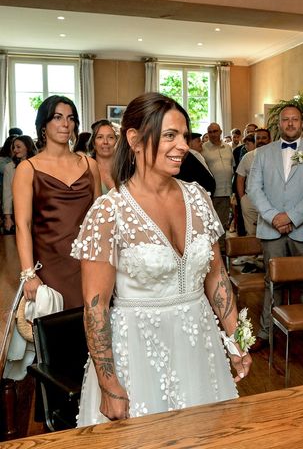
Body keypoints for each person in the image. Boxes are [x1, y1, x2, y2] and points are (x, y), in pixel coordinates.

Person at [71, 92, 252, 426]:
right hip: (139, 354)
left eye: (184, 136)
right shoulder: (109, 212)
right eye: (170, 135)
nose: (183, 145)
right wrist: (109, 385)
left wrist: (236, 339)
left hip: (199, 345)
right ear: (135, 139)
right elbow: (95, 307)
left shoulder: (198, 198)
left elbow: (217, 279)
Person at [247, 105, 303, 350]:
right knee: (273, 282)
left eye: (295, 120)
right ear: (278, 124)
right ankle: (266, 332)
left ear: (301, 123)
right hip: (271, 230)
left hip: (302, 229)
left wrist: (291, 217)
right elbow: (253, 188)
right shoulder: (262, 153)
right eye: (285, 120)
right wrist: (274, 217)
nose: (290, 124)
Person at [13, 95, 101, 309]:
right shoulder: (27, 169)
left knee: (92, 329)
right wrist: (28, 273)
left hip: (87, 262)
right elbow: (22, 225)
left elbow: (100, 220)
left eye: (70, 118)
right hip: (49, 264)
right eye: (58, 117)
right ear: (44, 125)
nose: (65, 124)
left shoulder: (90, 165)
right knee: (55, 331)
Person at [201, 122, 234, 248]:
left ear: (220, 132)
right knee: (211, 224)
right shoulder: (203, 148)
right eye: (210, 132)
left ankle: (221, 249)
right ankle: (212, 250)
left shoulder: (228, 147)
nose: (213, 134)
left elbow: (232, 166)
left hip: (226, 192)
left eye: (215, 131)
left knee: (223, 222)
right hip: (211, 193)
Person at [236, 128, 271, 236]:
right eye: (258, 138)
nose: (261, 140)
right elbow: (240, 178)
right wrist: (243, 198)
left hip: (271, 201)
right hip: (250, 201)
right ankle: (253, 253)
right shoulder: (247, 157)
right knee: (251, 233)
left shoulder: (277, 156)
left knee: (269, 232)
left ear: (270, 140)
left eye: (264, 138)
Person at [3, 135, 37, 232]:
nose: (15, 150)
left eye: (18, 147)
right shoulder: (9, 168)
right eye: (14, 147)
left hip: (38, 210)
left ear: (28, 147)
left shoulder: (38, 164)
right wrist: (8, 217)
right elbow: (7, 193)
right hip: (18, 211)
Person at [88, 119, 118, 194]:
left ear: (116, 141)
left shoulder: (126, 169)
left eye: (110, 137)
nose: (105, 142)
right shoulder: (87, 170)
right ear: (94, 143)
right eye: (100, 137)